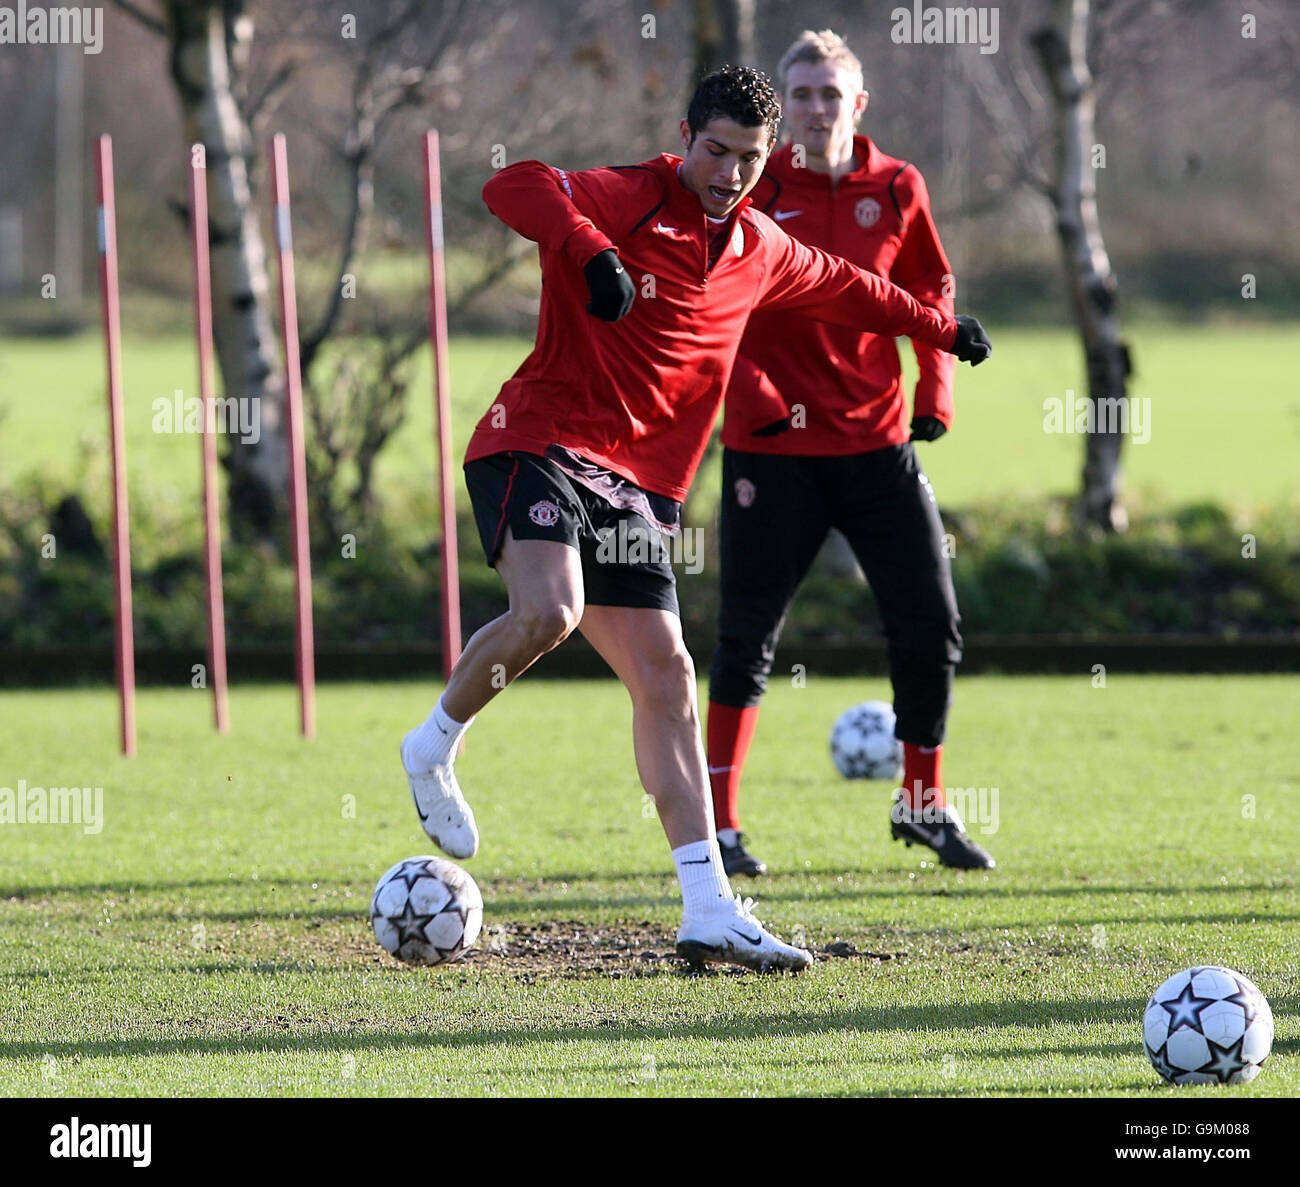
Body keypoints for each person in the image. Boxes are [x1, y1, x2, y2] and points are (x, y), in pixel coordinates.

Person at [400, 65, 992, 974]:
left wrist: (941, 331)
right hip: (539, 440)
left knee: (670, 677)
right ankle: (434, 744)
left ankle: (709, 907)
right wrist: (590, 248)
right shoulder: (629, 195)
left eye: (749, 158)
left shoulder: (761, 246)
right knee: (550, 612)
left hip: (640, 488)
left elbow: (850, 287)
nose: (729, 171)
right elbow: (509, 184)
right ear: (686, 136)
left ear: (769, 159)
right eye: (714, 150)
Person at [706, 32, 996, 878]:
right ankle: (720, 825)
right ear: (782, 105)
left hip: (876, 444)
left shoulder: (899, 185)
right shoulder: (752, 184)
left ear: (857, 104)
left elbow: (929, 292)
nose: (816, 108)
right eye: (801, 93)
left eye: (831, 93)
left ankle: (923, 805)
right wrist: (752, 397)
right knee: (745, 636)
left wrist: (933, 388)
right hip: (772, 451)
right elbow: (715, 303)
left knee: (930, 624)